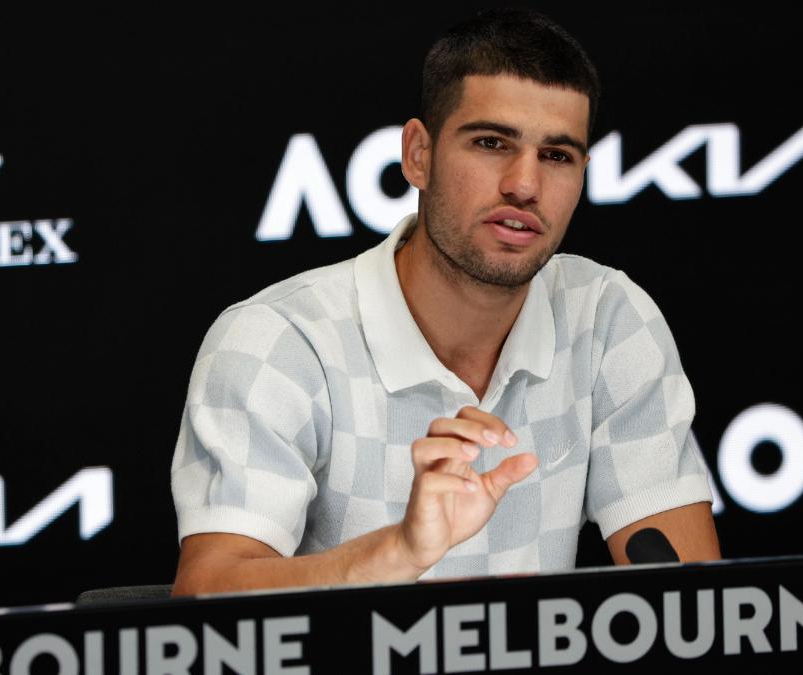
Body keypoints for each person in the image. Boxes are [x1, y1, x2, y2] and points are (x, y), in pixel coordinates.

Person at [170, 8, 720, 596]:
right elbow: (208, 596)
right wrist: (398, 552)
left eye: (557, 156)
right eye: (491, 142)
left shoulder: (608, 319)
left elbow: (694, 609)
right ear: (418, 155)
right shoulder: (278, 341)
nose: (524, 185)